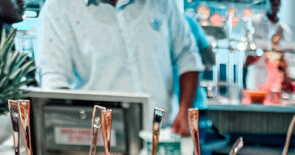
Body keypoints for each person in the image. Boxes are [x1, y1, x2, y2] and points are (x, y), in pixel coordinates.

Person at [36, 0, 202, 136]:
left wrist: (185, 109)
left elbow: (187, 56)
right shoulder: (59, 8)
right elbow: (55, 78)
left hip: (163, 133)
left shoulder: (162, 4)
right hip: (97, 137)